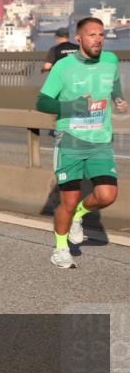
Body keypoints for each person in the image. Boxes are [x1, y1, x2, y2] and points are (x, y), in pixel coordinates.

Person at [36, 16, 127, 269]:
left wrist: (118, 98)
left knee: (107, 195)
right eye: (92, 35)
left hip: (100, 140)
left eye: (101, 34)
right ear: (79, 39)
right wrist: (73, 106)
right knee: (68, 199)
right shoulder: (63, 67)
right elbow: (41, 102)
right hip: (71, 139)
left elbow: (114, 82)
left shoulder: (110, 60)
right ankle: (61, 248)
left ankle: (79, 215)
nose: (98, 39)